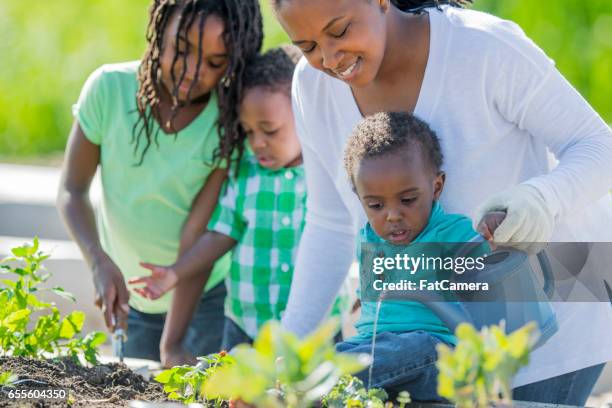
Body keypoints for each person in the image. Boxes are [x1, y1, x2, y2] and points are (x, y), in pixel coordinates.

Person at [271, 0, 612, 404]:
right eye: (307, 46)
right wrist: (285, 355)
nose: (328, 58)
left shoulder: (482, 48)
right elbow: (330, 222)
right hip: (429, 342)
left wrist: (541, 198)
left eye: (340, 31)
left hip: (549, 321)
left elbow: (598, 145)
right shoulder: (312, 88)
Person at [57, 0, 263, 367]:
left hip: (205, 298)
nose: (192, 71)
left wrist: (175, 339)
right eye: (182, 50)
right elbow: (72, 191)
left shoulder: (227, 121)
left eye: (216, 63)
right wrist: (98, 260)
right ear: (160, 28)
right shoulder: (108, 90)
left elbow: (197, 233)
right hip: (133, 295)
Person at [129, 46, 346, 351]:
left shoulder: (328, 173)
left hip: (318, 327)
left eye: (269, 130)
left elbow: (354, 234)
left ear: (305, 113)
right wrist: (175, 273)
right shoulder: (245, 173)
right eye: (248, 131)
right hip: (246, 326)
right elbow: (220, 234)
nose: (257, 143)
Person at [338, 111, 491, 400]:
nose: (393, 215)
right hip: (378, 352)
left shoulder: (454, 236)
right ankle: (294, 385)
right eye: (375, 205)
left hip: (441, 359)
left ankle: (314, 384)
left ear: (436, 187)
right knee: (346, 352)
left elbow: (487, 300)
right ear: (360, 199)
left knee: (411, 347)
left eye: (407, 200)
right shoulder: (369, 239)